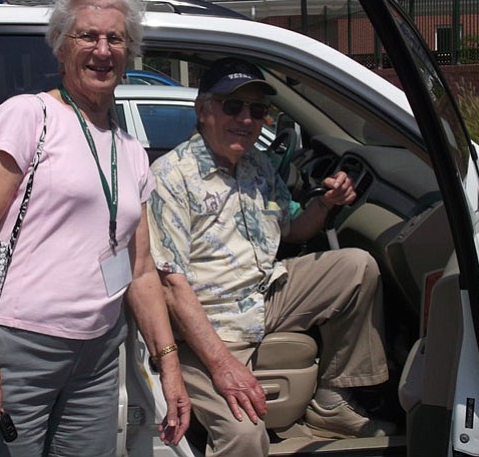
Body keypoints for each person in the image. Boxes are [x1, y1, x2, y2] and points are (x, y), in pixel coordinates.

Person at [0, 0, 190, 457]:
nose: (103, 49)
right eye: (88, 36)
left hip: (98, 357)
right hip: (17, 347)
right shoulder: (28, 116)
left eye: (116, 38)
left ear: (129, 53)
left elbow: (139, 270)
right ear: (60, 48)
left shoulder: (130, 150)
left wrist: (171, 367)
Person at [148, 57, 395, 456]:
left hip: (264, 295)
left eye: (258, 111)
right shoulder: (172, 177)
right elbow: (171, 288)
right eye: (233, 106)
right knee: (245, 435)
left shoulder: (257, 165)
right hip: (207, 325)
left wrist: (326, 204)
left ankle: (331, 401)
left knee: (356, 266)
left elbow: (293, 231)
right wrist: (224, 365)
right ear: (203, 110)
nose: (246, 119)